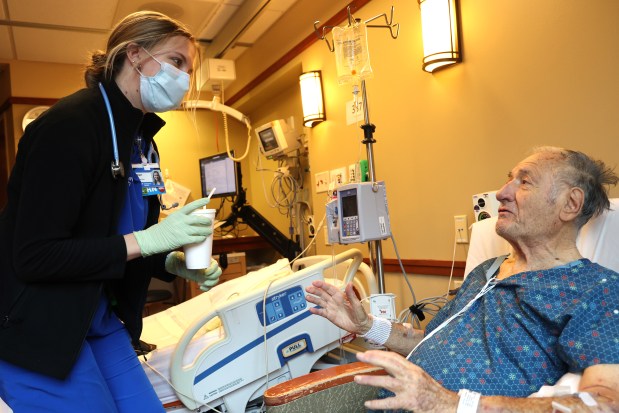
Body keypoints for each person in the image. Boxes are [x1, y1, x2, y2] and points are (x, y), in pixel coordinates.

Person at [0, 11, 222, 412]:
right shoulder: (68, 127)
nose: (185, 79)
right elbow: (35, 256)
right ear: (134, 54)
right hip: (38, 326)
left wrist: (170, 263)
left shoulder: (142, 142)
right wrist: (151, 239)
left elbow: (127, 235)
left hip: (99, 319)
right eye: (177, 61)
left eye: (189, 68)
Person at [306, 147, 619, 412]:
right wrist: (367, 326)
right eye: (508, 179)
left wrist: (450, 402)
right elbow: (428, 339)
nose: (501, 193)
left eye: (525, 182)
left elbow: (604, 402)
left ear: (570, 204)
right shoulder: (488, 271)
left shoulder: (596, 289)